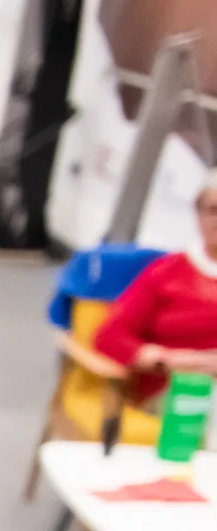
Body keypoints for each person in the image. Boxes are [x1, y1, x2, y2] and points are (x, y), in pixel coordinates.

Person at [90, 167, 217, 404]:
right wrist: (170, 359)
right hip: (178, 392)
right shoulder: (166, 273)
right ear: (198, 215)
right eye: (213, 210)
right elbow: (109, 337)